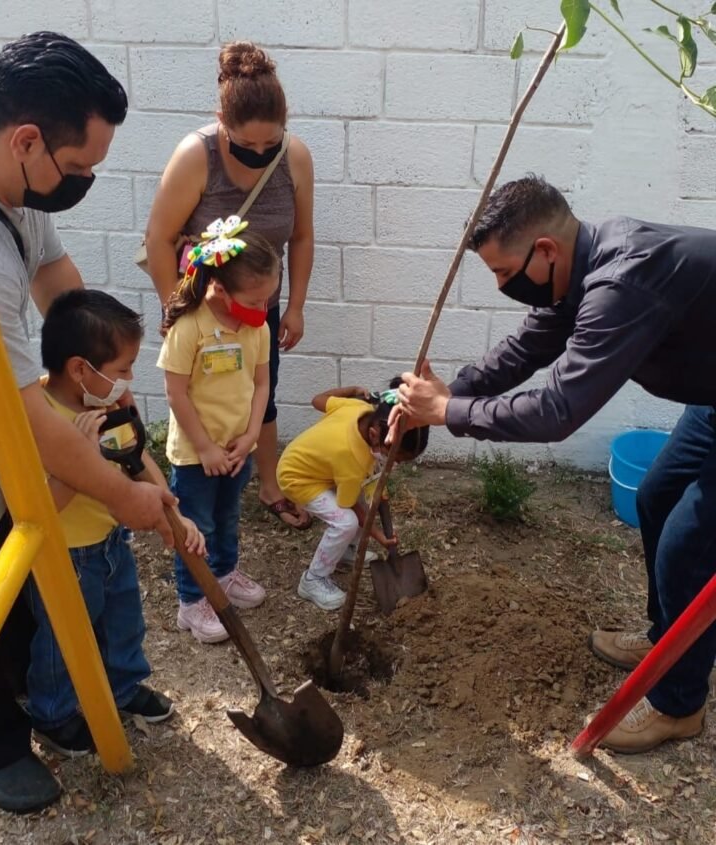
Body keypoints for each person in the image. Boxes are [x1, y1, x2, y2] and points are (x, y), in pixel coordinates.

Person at [392, 174, 716, 754]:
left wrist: (450, 412)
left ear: (544, 251)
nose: (500, 287)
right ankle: (666, 641)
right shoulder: (580, 267)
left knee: (688, 546)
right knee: (656, 497)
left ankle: (680, 705)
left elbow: (557, 411)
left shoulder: (622, 283)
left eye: (502, 273)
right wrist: (443, 397)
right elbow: (524, 350)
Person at [0, 32, 175, 813]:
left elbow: (55, 279)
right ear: (26, 140)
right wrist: (122, 494)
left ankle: (25, 692)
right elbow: (24, 422)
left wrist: (96, 366)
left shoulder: (1, 186)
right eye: (78, 170)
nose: (81, 182)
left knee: (16, 565)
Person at [145, 40, 314, 531]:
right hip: (207, 307)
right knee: (200, 394)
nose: (260, 154)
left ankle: (267, 486)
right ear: (221, 119)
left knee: (262, 390)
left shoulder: (295, 158)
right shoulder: (195, 157)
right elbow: (158, 238)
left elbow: (302, 236)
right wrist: (176, 308)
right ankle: (202, 479)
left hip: (262, 306)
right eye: (246, 145)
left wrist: (296, 306)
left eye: (270, 144)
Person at [28, 289, 206, 756]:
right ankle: (54, 713)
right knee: (62, 637)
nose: (129, 378)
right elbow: (37, 507)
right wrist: (79, 457)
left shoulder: (104, 407)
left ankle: (123, 687)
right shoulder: (38, 418)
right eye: (122, 368)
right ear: (80, 369)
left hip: (110, 541)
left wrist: (175, 513)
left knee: (124, 621)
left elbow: (136, 458)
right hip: (64, 555)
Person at [158, 220, 278, 643]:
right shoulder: (189, 327)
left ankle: (224, 576)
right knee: (195, 528)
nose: (263, 307)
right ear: (222, 289)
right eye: (255, 299)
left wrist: (248, 438)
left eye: (269, 298)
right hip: (196, 457)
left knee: (228, 517)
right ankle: (192, 602)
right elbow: (176, 394)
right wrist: (206, 448)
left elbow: (262, 383)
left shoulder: (257, 327)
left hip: (235, 449)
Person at [278, 381, 430, 611]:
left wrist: (351, 391)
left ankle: (345, 552)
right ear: (374, 434)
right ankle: (313, 579)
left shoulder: (358, 409)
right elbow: (355, 510)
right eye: (394, 457)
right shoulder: (352, 459)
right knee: (345, 522)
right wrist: (379, 536)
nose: (395, 463)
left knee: (359, 499)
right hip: (297, 478)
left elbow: (317, 399)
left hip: (319, 467)